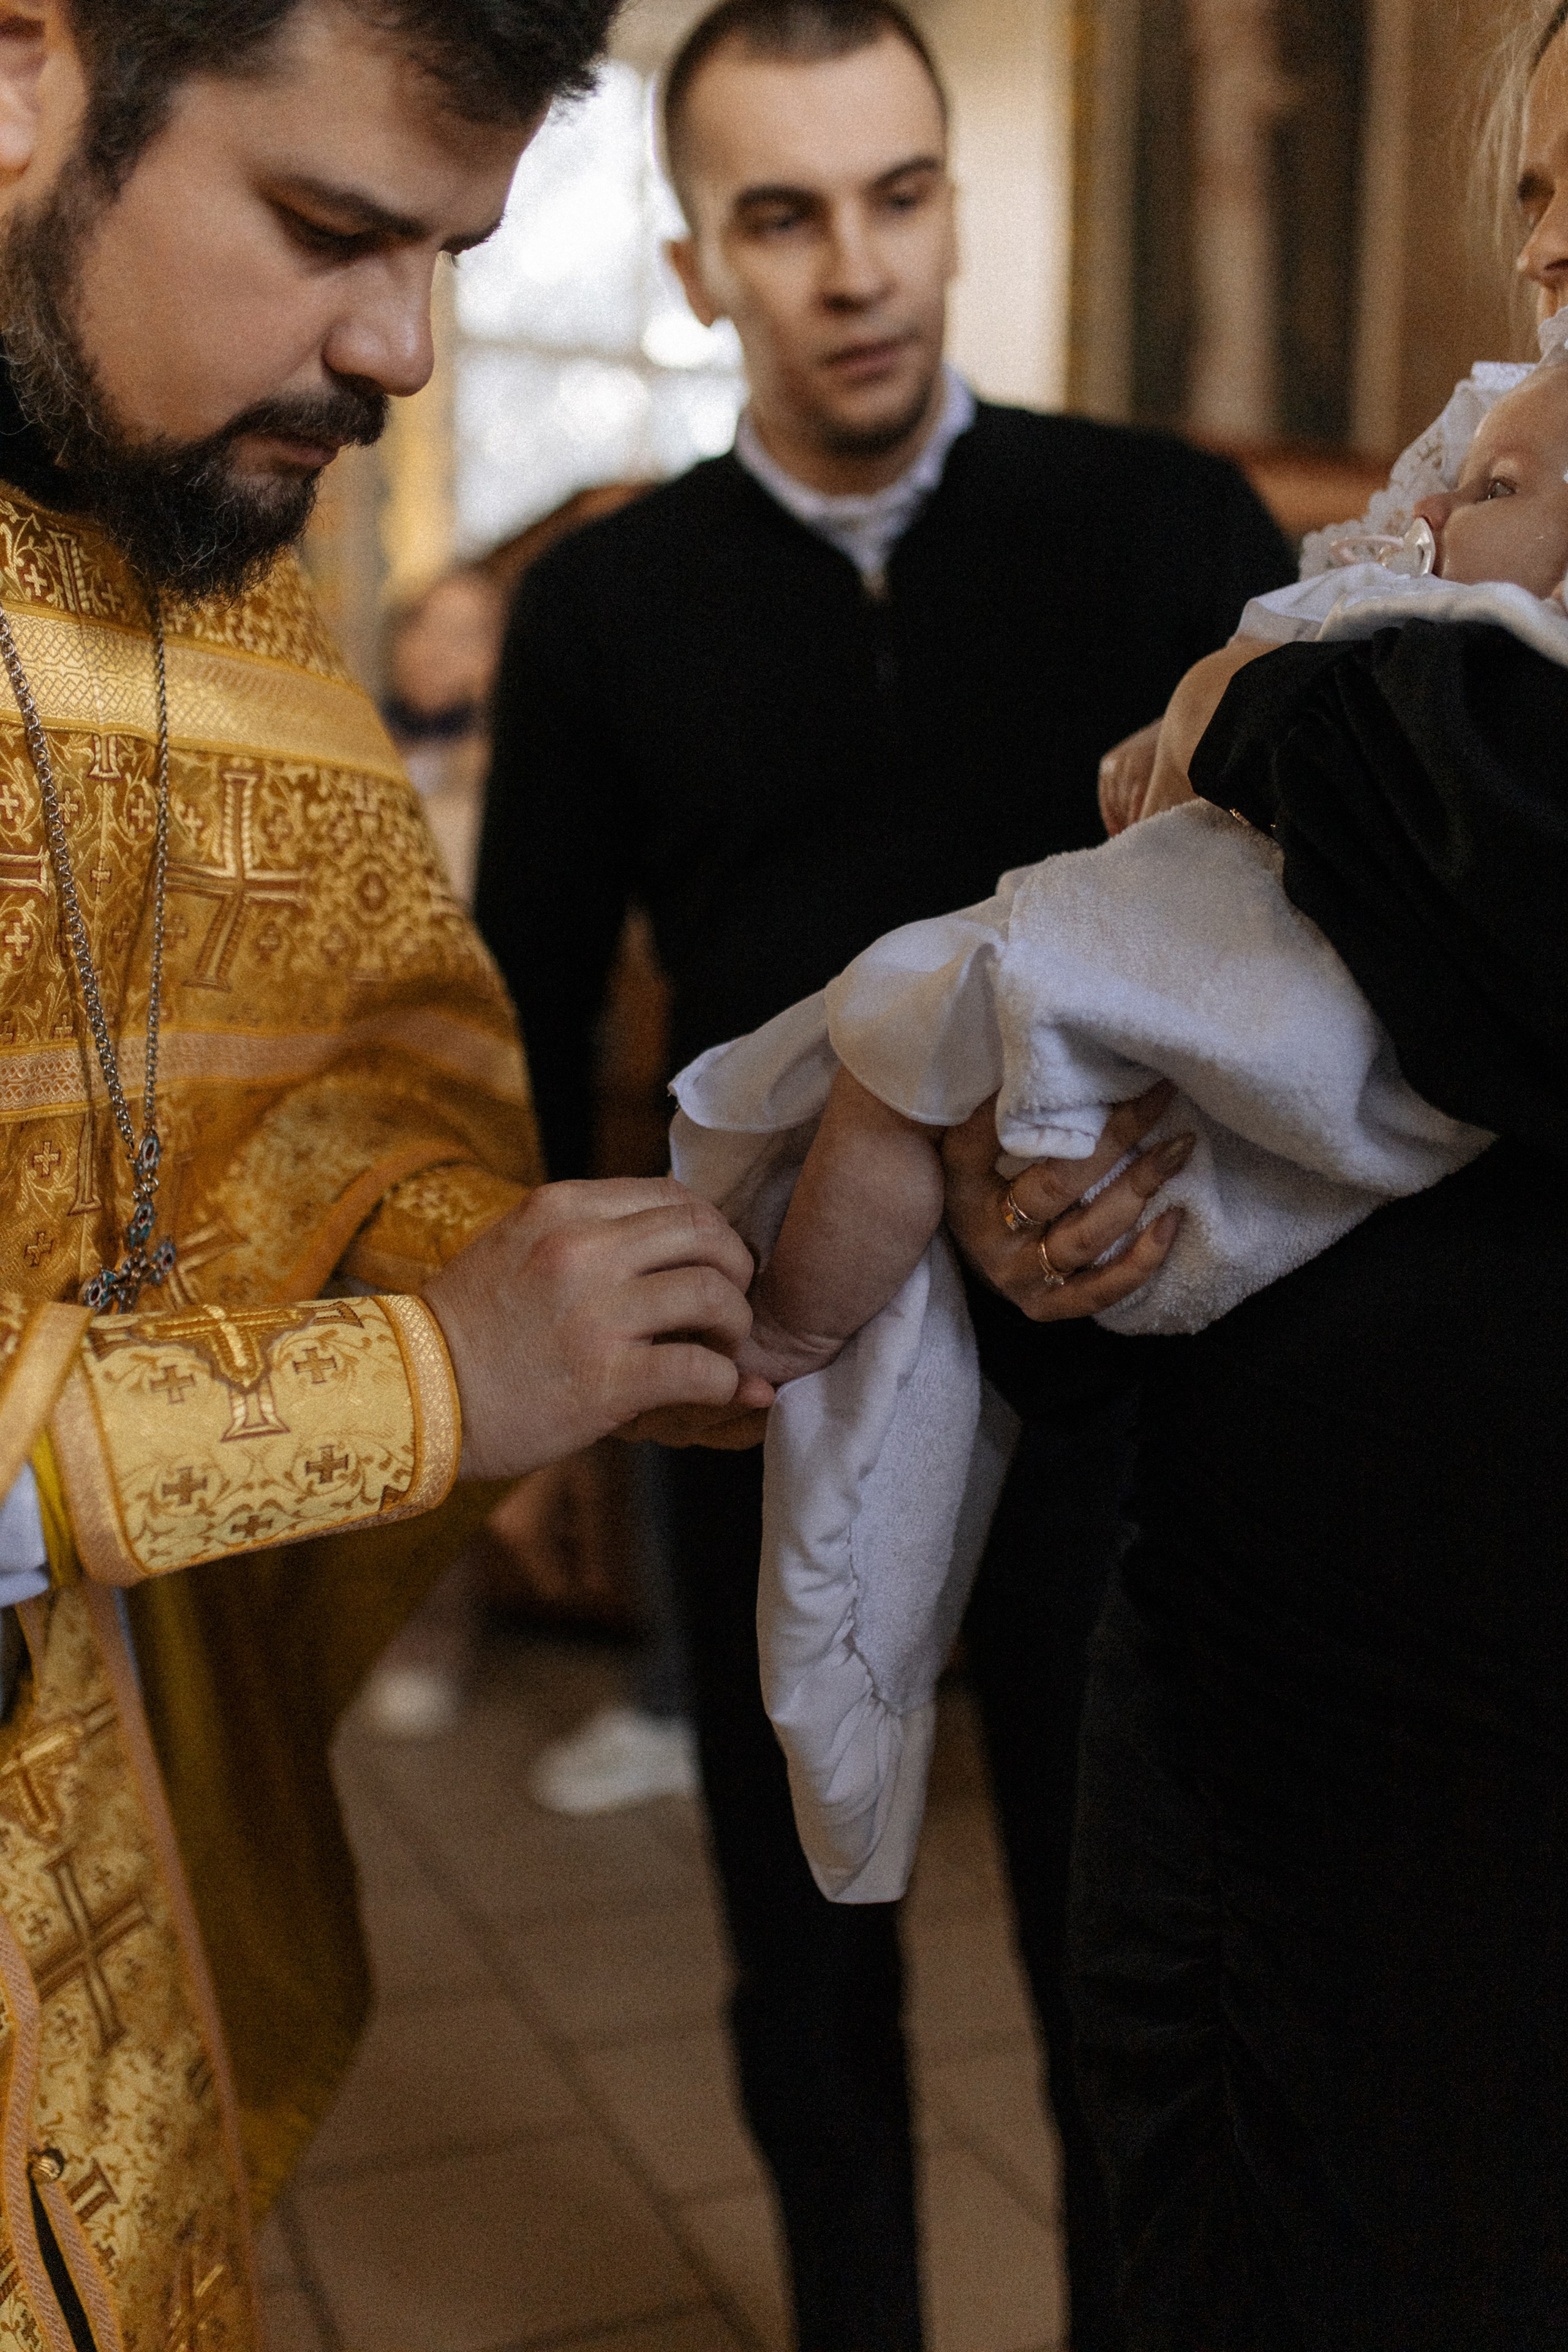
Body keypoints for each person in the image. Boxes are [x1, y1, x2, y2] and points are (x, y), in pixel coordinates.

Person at [475, 3, 1292, 2343]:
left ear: (955, 197)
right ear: (696, 257)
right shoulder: (605, 606)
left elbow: (1289, 939)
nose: (859, 266)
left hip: (1124, 1349)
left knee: (1123, 1936)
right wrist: (545, 1412)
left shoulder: (1168, 523)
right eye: (786, 213)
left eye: (902, 193)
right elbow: (531, 997)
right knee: (805, 1933)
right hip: (763, 1340)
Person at [0, 5, 774, 2343]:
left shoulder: (202, 549)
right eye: (333, 229)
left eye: (451, 253)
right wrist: (416, 1384)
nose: (405, 353)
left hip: (106, 1898)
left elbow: (345, 1126)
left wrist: (610, 1309)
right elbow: (394, 1352)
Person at [933, 9, 1568, 2340]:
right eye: (1531, 188)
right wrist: (1061, 1219)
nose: (1559, 239)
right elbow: (1234, 977)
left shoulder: (1418, 655)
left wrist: (1276, 703)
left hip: (1490, 1811)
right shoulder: (1468, 517)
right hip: (1210, 1684)